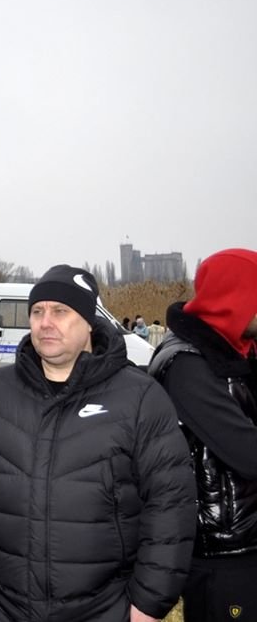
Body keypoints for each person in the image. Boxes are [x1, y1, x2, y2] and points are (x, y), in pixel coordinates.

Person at [0, 264, 196, 622]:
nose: (45, 322)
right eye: (37, 311)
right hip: (6, 603)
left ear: (89, 322)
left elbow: (170, 503)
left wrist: (149, 601)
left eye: (60, 311)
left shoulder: (139, 397)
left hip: (106, 606)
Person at [148, 249, 257, 622]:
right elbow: (248, 454)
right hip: (223, 556)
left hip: (243, 544)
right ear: (236, 299)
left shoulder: (235, 353)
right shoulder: (188, 366)